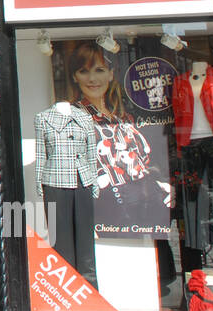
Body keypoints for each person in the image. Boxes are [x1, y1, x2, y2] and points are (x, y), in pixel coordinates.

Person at [66, 42, 172, 232]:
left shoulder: (121, 116)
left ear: (111, 74)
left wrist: (159, 183)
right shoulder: (73, 117)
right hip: (110, 208)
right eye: (84, 71)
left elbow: (142, 162)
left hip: (147, 204)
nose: (92, 78)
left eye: (99, 70)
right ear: (75, 76)